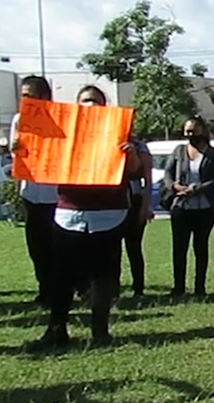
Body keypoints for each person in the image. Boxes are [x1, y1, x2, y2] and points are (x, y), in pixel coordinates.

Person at [26, 85, 142, 350]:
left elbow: (135, 172)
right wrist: (24, 149)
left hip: (108, 214)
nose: (90, 105)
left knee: (103, 276)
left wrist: (130, 155)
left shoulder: (118, 133)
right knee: (61, 277)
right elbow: (40, 164)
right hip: (69, 213)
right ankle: (57, 330)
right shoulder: (63, 135)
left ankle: (100, 331)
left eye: (95, 101)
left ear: (104, 105)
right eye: (85, 101)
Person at [11, 75, 59, 306]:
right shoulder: (19, 120)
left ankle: (65, 286)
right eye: (23, 95)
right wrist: (14, 148)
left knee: (58, 245)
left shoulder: (60, 120)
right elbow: (16, 154)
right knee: (36, 245)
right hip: (31, 192)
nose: (25, 99)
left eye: (30, 95)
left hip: (56, 194)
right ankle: (45, 288)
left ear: (44, 96)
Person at [163, 116, 214, 298]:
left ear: (202, 131)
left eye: (193, 131)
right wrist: (173, 186)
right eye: (187, 131)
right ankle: (178, 287)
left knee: (200, 247)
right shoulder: (179, 151)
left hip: (204, 208)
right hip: (181, 206)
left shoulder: (212, 154)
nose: (189, 135)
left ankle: (200, 287)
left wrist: (196, 189)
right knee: (179, 248)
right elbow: (167, 172)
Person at [120, 139, 154, 298]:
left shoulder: (140, 146)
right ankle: (112, 288)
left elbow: (147, 180)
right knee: (112, 249)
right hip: (113, 199)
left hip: (134, 199)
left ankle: (138, 288)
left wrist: (146, 206)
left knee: (134, 247)